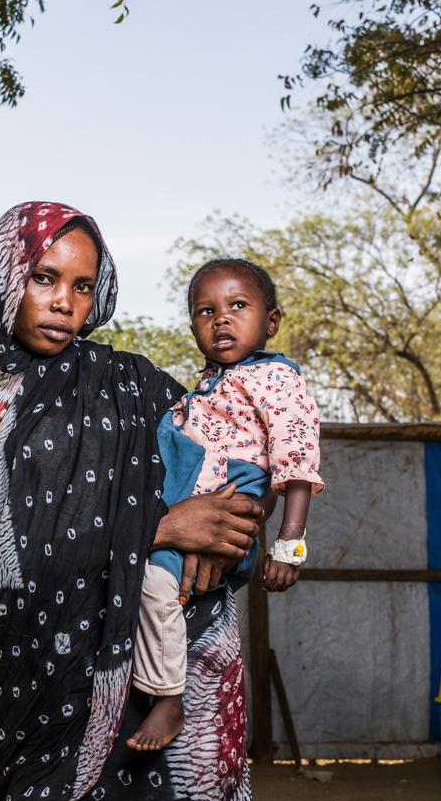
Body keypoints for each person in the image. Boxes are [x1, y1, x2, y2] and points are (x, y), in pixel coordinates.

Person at [0, 202, 263, 801]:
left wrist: (226, 521)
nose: (64, 302)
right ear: (2, 280)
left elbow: (222, 471)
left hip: (175, 697)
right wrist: (159, 529)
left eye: (82, 285)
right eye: (44, 278)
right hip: (50, 716)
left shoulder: (132, 383)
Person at [128, 258, 325, 751]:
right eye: (205, 311)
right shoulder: (207, 386)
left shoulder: (276, 381)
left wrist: (288, 549)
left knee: (153, 584)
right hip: (185, 502)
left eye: (238, 305)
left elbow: (296, 466)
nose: (221, 319)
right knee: (146, 588)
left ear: (271, 321)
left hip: (224, 502)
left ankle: (168, 697)